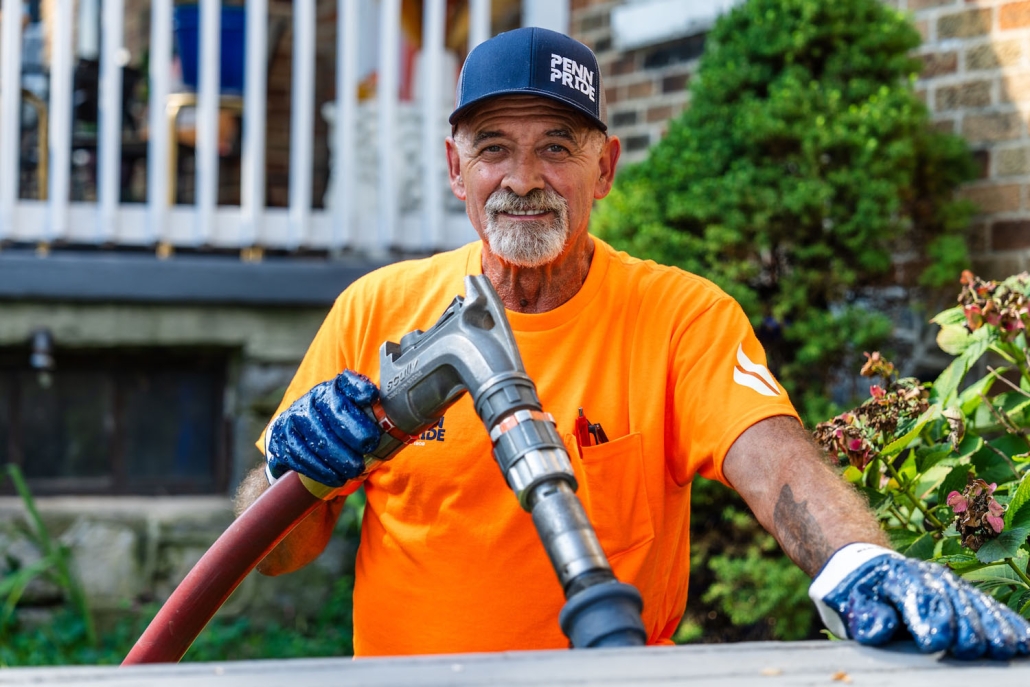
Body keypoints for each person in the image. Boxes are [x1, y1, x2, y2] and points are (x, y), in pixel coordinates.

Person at [235, 27, 1030, 659]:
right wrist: (287, 473)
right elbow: (272, 553)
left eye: (556, 145)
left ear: (605, 166)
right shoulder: (377, 310)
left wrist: (858, 561)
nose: (523, 177)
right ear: (455, 168)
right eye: (492, 147)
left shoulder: (678, 314)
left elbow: (776, 457)